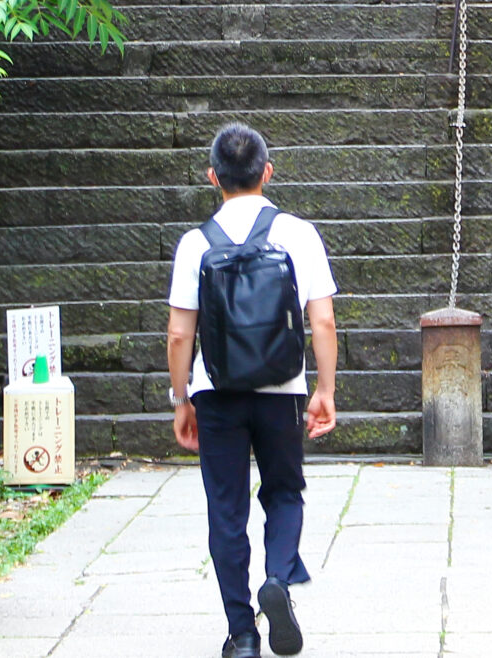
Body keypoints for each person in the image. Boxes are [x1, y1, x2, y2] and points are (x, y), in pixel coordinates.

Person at [167, 123, 339, 658]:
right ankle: (279, 582)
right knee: (285, 491)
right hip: (282, 388)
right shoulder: (299, 233)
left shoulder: (196, 243)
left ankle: (242, 634)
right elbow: (324, 322)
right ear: (267, 171)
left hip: (215, 391)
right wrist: (325, 389)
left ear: (212, 176)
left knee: (226, 509)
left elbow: (179, 333)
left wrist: (182, 399)